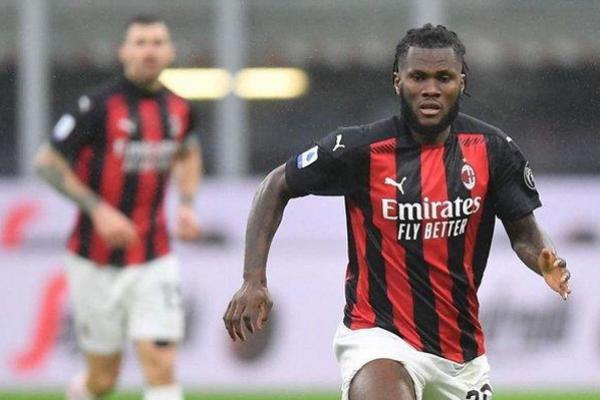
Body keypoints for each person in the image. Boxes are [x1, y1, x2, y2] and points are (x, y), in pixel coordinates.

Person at [223, 24, 572, 400]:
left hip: (461, 354)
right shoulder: (361, 149)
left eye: (443, 78)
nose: (431, 89)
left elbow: (525, 233)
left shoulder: (493, 150)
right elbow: (276, 185)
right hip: (379, 336)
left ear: (462, 82)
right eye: (418, 77)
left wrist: (545, 260)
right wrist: (253, 279)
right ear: (397, 82)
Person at [34, 14, 202, 400]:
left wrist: (187, 203)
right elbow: (46, 162)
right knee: (103, 379)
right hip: (95, 260)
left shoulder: (180, 108)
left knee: (161, 364)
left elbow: (189, 153)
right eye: (140, 42)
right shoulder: (96, 106)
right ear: (124, 51)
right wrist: (99, 210)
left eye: (157, 42)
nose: (149, 51)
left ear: (170, 51)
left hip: (154, 255)